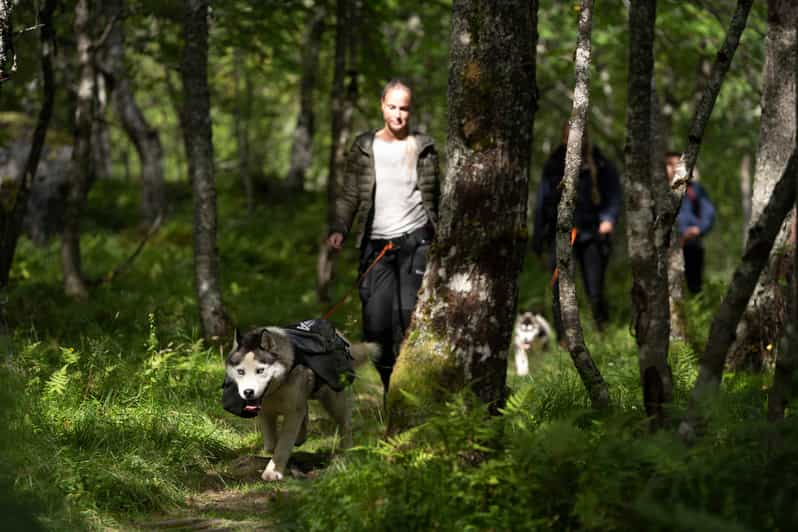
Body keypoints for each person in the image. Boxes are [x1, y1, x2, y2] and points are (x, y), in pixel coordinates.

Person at [327, 79, 440, 393]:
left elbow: (438, 197)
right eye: (392, 107)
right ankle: (391, 386)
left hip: (417, 241)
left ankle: (412, 390)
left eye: (404, 108)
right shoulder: (364, 146)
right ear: (382, 106)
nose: (398, 115)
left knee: (409, 319)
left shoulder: (425, 147)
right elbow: (349, 194)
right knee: (376, 327)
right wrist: (339, 228)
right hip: (376, 245)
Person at [531, 125, 622, 337]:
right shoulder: (554, 163)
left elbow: (614, 194)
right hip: (560, 235)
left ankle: (602, 332)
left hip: (592, 235)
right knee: (560, 289)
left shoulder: (598, 161)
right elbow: (542, 201)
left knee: (595, 289)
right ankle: (564, 339)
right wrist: (538, 239)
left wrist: (608, 219)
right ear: (564, 137)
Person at [665, 151, 716, 294]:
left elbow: (709, 213)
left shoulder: (694, 189)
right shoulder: (658, 191)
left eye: (677, 165)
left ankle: (695, 313)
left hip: (691, 244)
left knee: (694, 286)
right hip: (665, 246)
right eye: (669, 165)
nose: (673, 168)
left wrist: (697, 230)